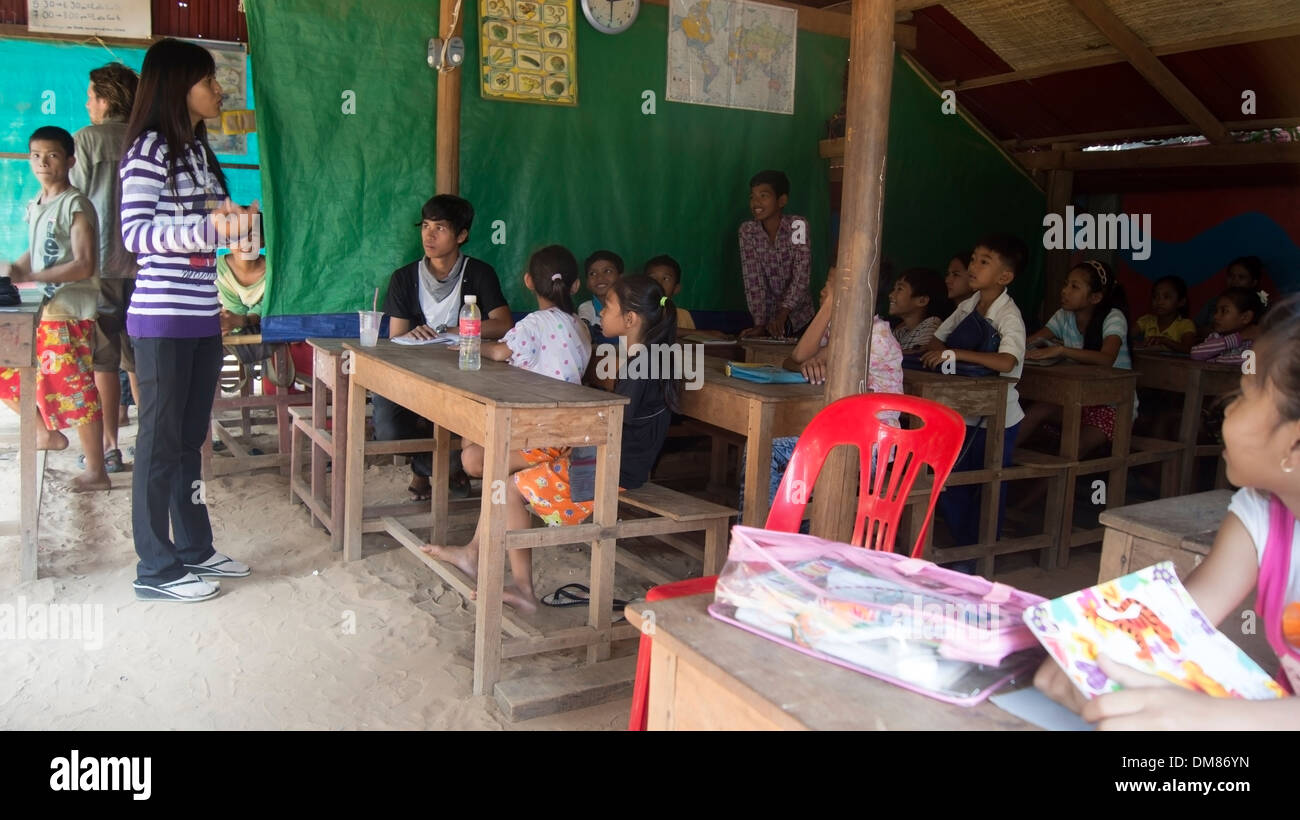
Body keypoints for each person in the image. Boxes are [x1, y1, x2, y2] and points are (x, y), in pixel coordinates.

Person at [1034, 294, 1300, 729]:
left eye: (1245, 394)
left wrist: (1213, 716)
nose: (1227, 407)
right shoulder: (1263, 512)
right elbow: (1179, 621)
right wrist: (1092, 654)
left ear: (1293, 441)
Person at [423, 275, 677, 611]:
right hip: (609, 458)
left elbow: (614, 424)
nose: (601, 312)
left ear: (630, 320)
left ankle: (524, 590)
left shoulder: (643, 365)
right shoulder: (648, 356)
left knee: (510, 486)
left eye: (608, 306)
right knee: (501, 465)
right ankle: (475, 553)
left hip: (614, 471)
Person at [121, 38, 259, 601]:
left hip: (202, 316)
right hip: (160, 319)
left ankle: (194, 550)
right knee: (157, 443)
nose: (218, 89)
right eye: (208, 79)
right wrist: (210, 231)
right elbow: (136, 235)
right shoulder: (148, 150)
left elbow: (217, 232)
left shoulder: (200, 152)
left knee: (190, 440)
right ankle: (154, 568)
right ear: (179, 85)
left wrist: (243, 228)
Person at [440, 245, 592, 610]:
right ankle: (475, 554)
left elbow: (499, 352)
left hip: (542, 436)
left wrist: (466, 341)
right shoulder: (582, 327)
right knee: (484, 462)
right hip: (564, 433)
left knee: (476, 459)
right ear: (575, 286)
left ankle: (480, 558)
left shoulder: (533, 325)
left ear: (527, 282)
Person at [377, 194, 513, 500]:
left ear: (461, 235)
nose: (429, 234)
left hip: (465, 375)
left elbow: (503, 323)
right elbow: (396, 336)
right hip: (412, 377)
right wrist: (413, 336)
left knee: (472, 426)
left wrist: (451, 330)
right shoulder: (404, 278)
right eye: (425, 226)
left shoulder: (479, 273)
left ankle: (433, 469)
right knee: (387, 431)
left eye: (440, 228)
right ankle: (435, 467)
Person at [737, 279, 903, 522]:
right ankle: (786, 532)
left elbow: (801, 358)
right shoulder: (839, 326)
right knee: (770, 443)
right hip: (840, 431)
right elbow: (796, 359)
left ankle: (763, 537)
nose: (823, 289)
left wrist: (829, 306)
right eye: (826, 283)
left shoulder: (870, 332)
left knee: (766, 448)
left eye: (830, 286)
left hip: (870, 444)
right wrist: (828, 309)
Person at [0, 126, 108, 492]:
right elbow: (37, 250)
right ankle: (45, 434)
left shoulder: (76, 204)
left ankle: (97, 470)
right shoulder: (37, 203)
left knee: (76, 389)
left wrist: (31, 273)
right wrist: (14, 270)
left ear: (70, 161)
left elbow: (84, 264)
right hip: (43, 310)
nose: (42, 162)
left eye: (52, 155)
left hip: (70, 313)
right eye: (35, 155)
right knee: (8, 371)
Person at [920, 234, 1028, 572]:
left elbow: (1008, 361)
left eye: (984, 261)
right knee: (949, 479)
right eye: (974, 259)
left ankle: (980, 556)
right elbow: (938, 337)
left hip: (998, 419)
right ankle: (965, 548)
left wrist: (958, 354)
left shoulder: (1009, 315)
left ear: (1005, 277)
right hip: (962, 412)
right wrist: (942, 352)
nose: (973, 266)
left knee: (988, 486)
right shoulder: (969, 304)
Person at [73, 62, 139, 467]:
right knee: (142, 357)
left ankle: (109, 447)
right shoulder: (149, 139)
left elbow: (72, 203)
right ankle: (147, 442)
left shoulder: (85, 141)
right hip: (146, 264)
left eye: (90, 96)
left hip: (96, 264)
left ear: (105, 98)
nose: (87, 104)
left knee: (103, 360)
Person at [1021, 260, 1134, 452]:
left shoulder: (1113, 317)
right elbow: (1030, 341)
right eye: (1066, 284)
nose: (1065, 291)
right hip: (1076, 400)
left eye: (1074, 287)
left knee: (1071, 449)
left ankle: (1051, 482)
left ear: (1096, 297)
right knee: (1034, 413)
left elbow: (1107, 359)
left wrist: (1061, 350)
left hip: (1112, 406)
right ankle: (997, 463)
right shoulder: (1064, 315)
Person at [738, 170, 813, 339]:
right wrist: (759, 323)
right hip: (770, 323)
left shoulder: (797, 226)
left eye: (763, 196)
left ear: (782, 200)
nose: (755, 202)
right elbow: (753, 280)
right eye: (752, 197)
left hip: (800, 318)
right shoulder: (748, 232)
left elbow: (801, 275)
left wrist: (784, 313)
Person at [1191, 287, 1265, 366]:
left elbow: (1251, 360)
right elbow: (1195, 354)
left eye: (1224, 311)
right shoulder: (1216, 338)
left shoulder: (1254, 343)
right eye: (1216, 311)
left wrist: (1216, 359)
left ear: (1245, 317)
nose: (1215, 316)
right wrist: (1238, 337)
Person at [887, 267, 949, 353]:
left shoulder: (931, 324)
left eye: (900, 289)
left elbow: (921, 353)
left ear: (922, 300)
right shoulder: (902, 331)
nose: (891, 295)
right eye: (894, 289)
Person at [1133, 275, 1196, 354]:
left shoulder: (1186, 324)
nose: (1159, 302)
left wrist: (1165, 341)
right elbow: (1123, 338)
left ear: (1181, 302)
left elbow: (1189, 349)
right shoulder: (1146, 320)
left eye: (1166, 297)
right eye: (1155, 296)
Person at [577, 249, 622, 343]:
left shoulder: (632, 308)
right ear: (587, 283)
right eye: (592, 273)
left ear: (621, 277)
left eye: (608, 271)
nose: (600, 277)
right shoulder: (586, 308)